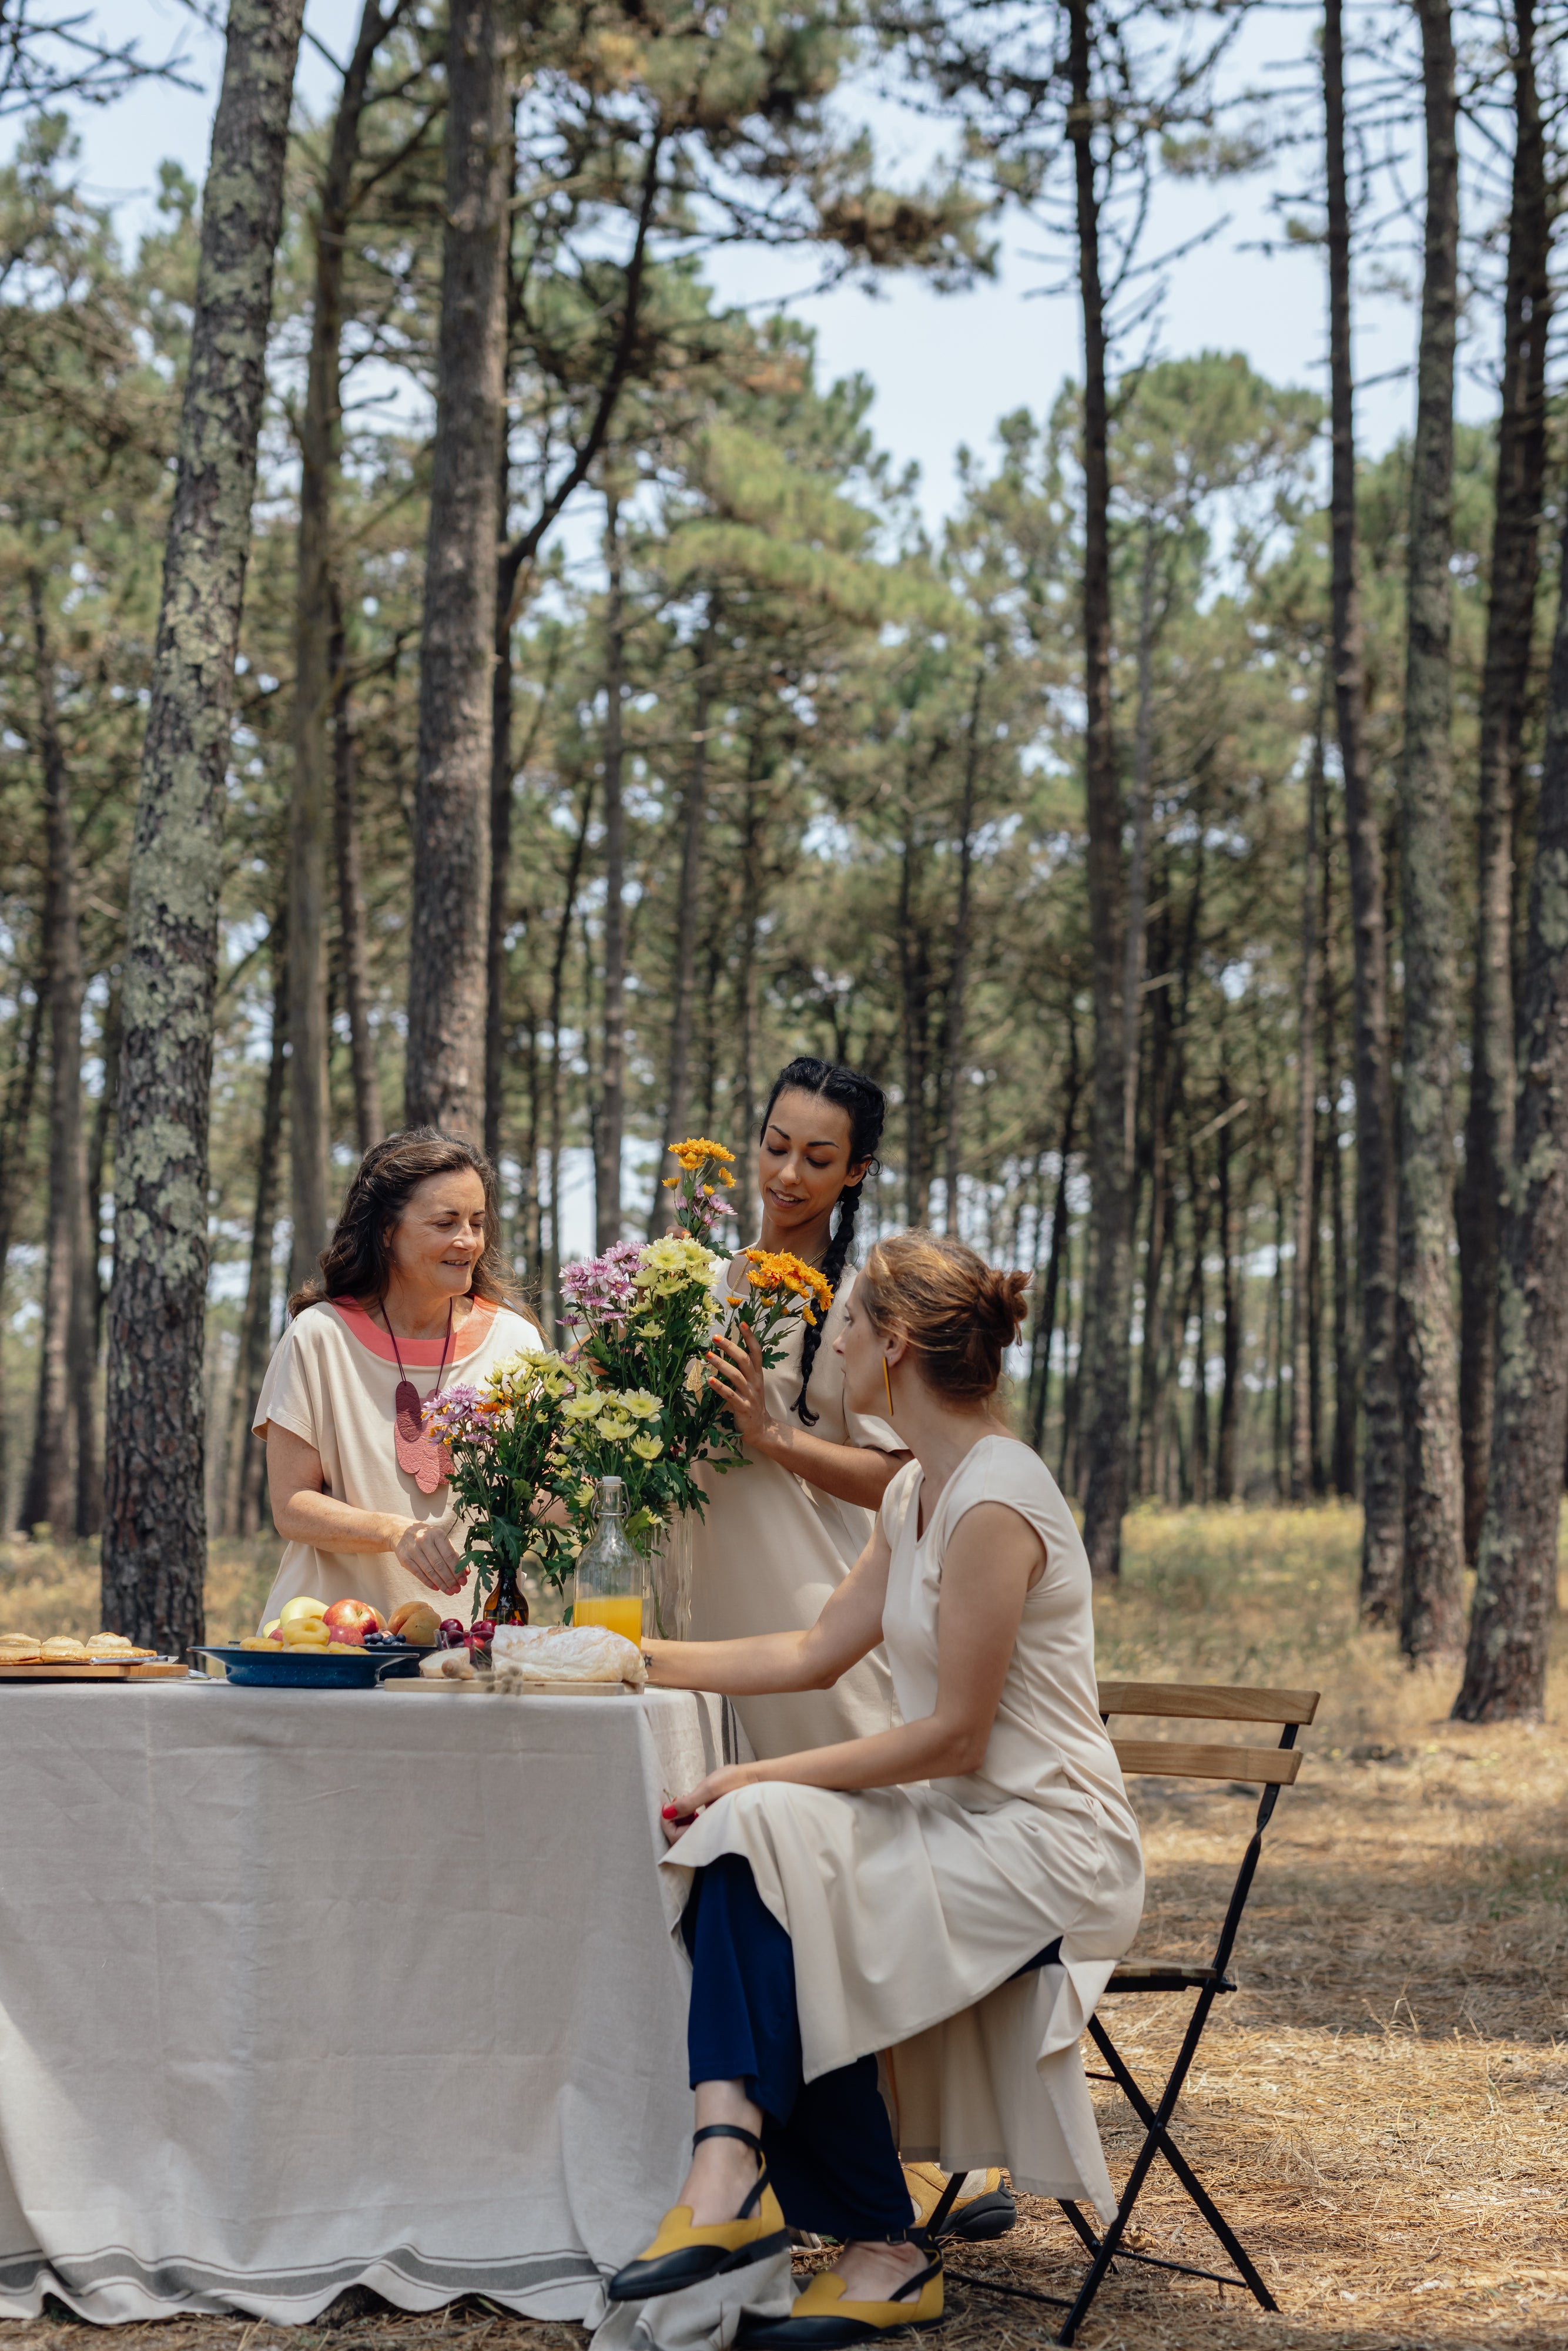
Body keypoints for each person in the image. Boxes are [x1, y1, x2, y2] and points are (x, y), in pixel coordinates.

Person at [608, 1233, 1144, 2349]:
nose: (834, 1346)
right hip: (963, 1817)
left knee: (761, 1827)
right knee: (756, 1841)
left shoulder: (998, 1500)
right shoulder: (918, 1492)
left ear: (893, 1347)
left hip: (1045, 1838)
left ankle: (840, 2227)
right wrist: (621, 1659)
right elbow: (810, 1653)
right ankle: (753, 2182)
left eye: (847, 1327)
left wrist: (756, 1767)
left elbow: (952, 1736)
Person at [691, 1057, 909, 1761]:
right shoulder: (686, 1287)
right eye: (776, 1147)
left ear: (855, 1171)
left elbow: (899, 1481)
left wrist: (770, 1435)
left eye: (817, 1159)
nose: (787, 1175)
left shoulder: (863, 1308)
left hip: (806, 1632)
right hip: (686, 1611)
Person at [254, 1130, 544, 1629]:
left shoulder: (516, 1344)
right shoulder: (320, 1336)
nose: (469, 1241)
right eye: (445, 1223)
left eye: (477, 1223)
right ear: (386, 1230)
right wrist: (394, 1532)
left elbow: (542, 1499)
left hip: (467, 1645)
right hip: (326, 1646)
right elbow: (292, 1507)